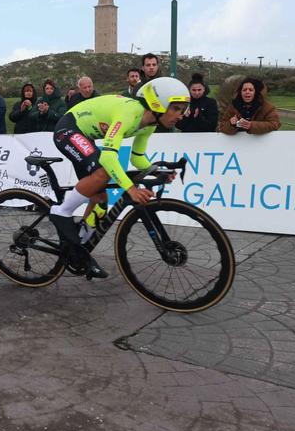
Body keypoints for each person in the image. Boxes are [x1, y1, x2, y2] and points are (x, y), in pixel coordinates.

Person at [49, 77, 191, 279]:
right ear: (159, 104)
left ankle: (78, 250)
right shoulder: (130, 113)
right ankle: (61, 212)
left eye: (183, 109)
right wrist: (131, 190)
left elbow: (137, 157)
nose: (181, 115)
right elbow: (108, 156)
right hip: (68, 129)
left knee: (100, 201)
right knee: (103, 172)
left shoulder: (150, 123)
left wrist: (157, 171)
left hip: (86, 135)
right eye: (176, 108)